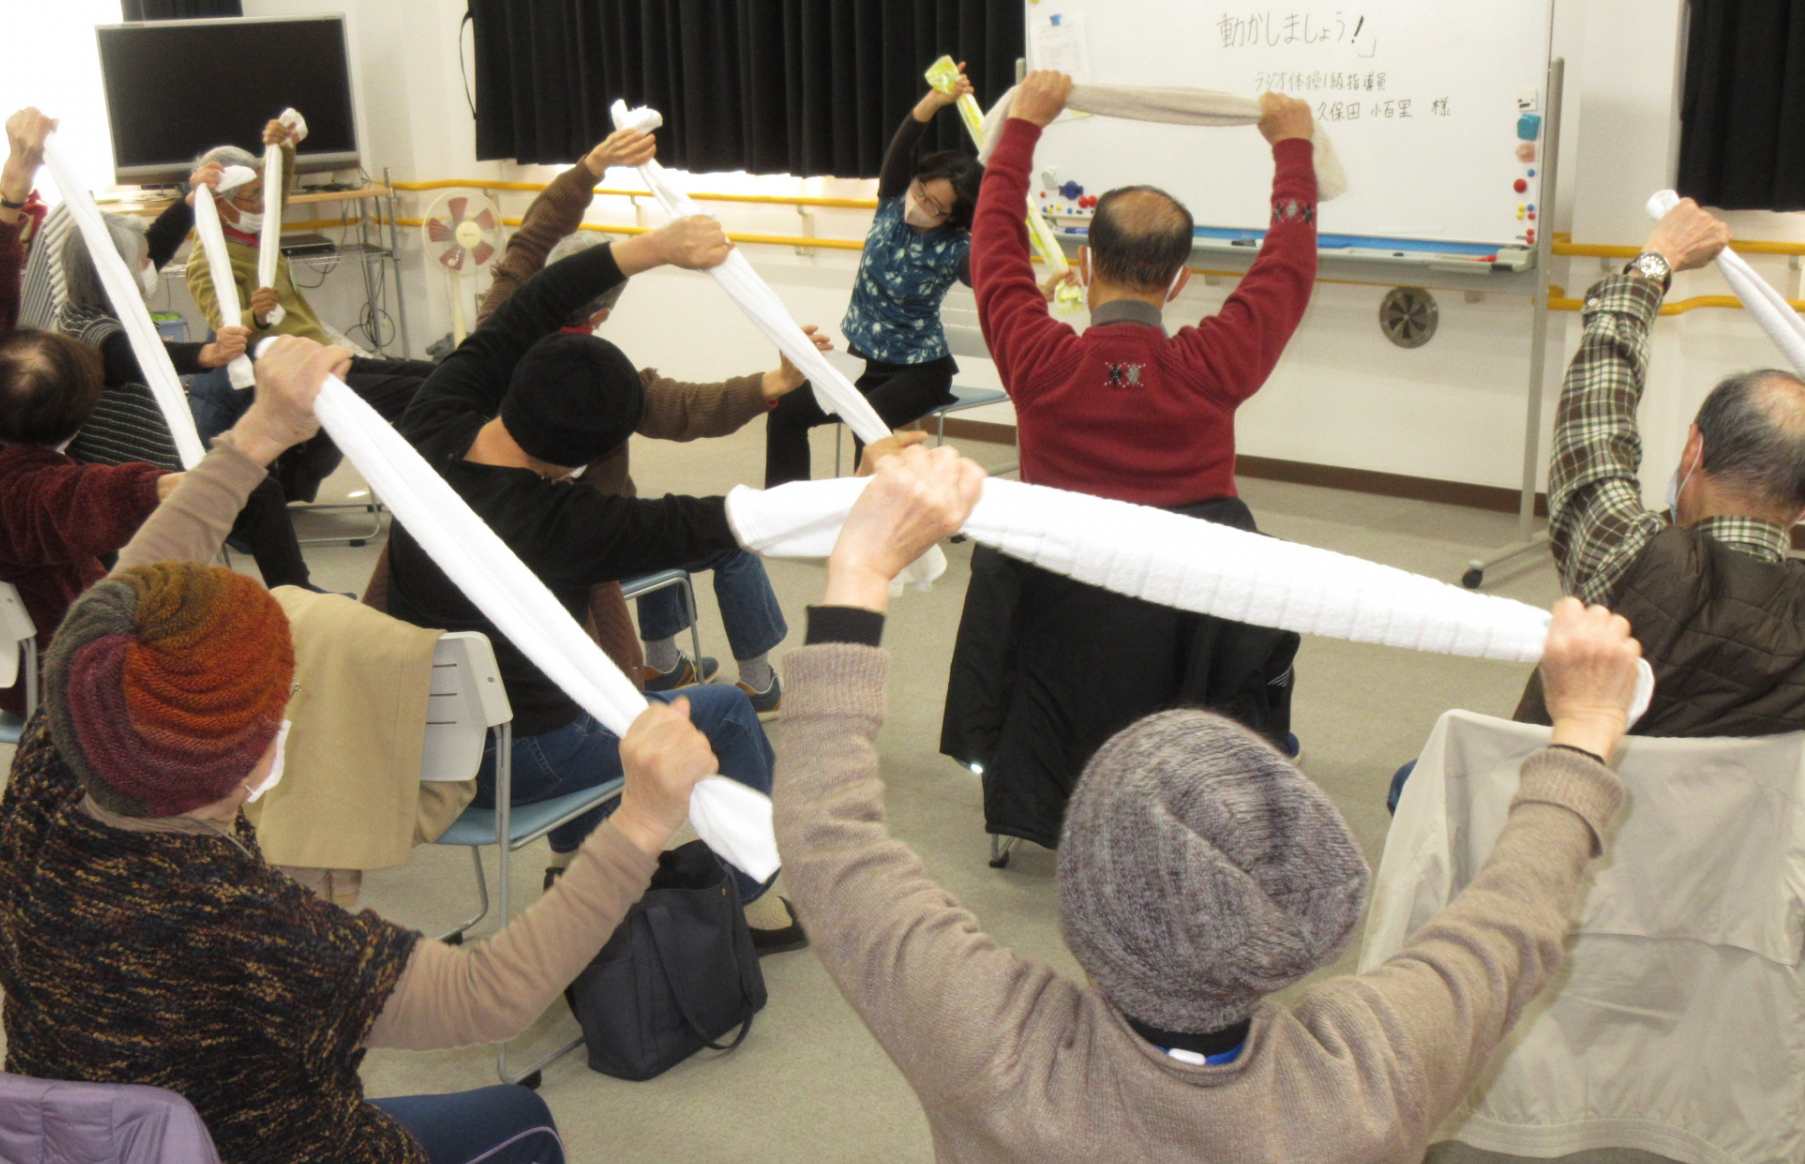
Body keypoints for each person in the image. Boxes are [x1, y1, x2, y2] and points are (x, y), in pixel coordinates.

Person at [0, 333, 723, 1164]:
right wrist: (640, 825)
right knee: (519, 1136)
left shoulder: (63, 746)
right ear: (258, 758)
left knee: (322, 1091)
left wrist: (259, 434)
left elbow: (135, 584)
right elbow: (489, 994)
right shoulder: (246, 918)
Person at [776, 442, 1640, 1164]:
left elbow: (827, 839)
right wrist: (1587, 725)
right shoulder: (1380, 1067)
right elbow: (1517, 917)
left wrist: (859, 571)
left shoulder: (991, 1046)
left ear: (1082, 903)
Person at [384, 218, 800, 942]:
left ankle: (575, 861)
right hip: (519, 762)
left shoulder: (431, 424)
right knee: (727, 712)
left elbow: (535, 297)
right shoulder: (570, 524)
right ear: (580, 460)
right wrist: (871, 491)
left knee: (596, 696)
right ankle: (754, 900)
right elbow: (723, 521)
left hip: (418, 738)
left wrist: (654, 248)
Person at [940, 70, 1315, 849]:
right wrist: (1293, 153)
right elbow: (1286, 270)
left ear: (1082, 265)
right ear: (1179, 283)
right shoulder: (1213, 365)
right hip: (1181, 630)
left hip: (1057, 630)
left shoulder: (1039, 361)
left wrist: (1021, 127)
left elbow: (996, 246)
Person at [471, 124, 827, 700]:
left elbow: (531, 238)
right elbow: (684, 409)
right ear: (603, 315)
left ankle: (665, 664)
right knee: (721, 538)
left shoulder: (493, 332)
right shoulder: (599, 380)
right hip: (586, 544)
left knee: (641, 510)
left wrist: (590, 167)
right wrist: (777, 381)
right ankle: (759, 682)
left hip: (501, 531)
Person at [0, 107, 177, 715]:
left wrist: (14, 182)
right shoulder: (18, 496)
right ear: (71, 424)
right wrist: (193, 478)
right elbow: (94, 497)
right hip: (59, 678)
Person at [1513, 196, 1805, 736]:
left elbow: (1597, 401)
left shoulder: (1627, 554)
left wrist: (1657, 260)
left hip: (1569, 784)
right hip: (1725, 797)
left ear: (1695, 449)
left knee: (1415, 774)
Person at [55, 168, 318, 591]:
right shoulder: (88, 330)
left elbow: (155, 245)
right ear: (117, 273)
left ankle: (296, 593)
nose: (151, 266)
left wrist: (189, 202)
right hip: (133, 488)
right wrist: (204, 354)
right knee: (261, 494)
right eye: (142, 262)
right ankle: (297, 594)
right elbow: (128, 358)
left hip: (155, 471)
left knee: (261, 492)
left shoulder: (100, 303)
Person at [184, 118, 435, 501]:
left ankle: (414, 484)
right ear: (221, 205)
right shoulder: (208, 260)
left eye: (262, 193)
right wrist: (257, 316)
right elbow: (226, 332)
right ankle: (416, 494)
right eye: (253, 196)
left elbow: (277, 187)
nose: (264, 203)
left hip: (322, 355)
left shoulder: (256, 234)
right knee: (419, 393)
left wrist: (282, 146)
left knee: (436, 376)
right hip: (293, 372)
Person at [761, 66, 982, 487]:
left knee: (868, 423)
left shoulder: (957, 248)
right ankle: (785, 510)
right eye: (921, 190)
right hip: (861, 361)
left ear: (955, 217)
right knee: (786, 410)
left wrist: (1030, 283)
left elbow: (986, 277)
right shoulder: (893, 201)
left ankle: (866, 516)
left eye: (934, 206)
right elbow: (902, 146)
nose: (920, 203)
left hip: (920, 372)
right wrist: (935, 99)